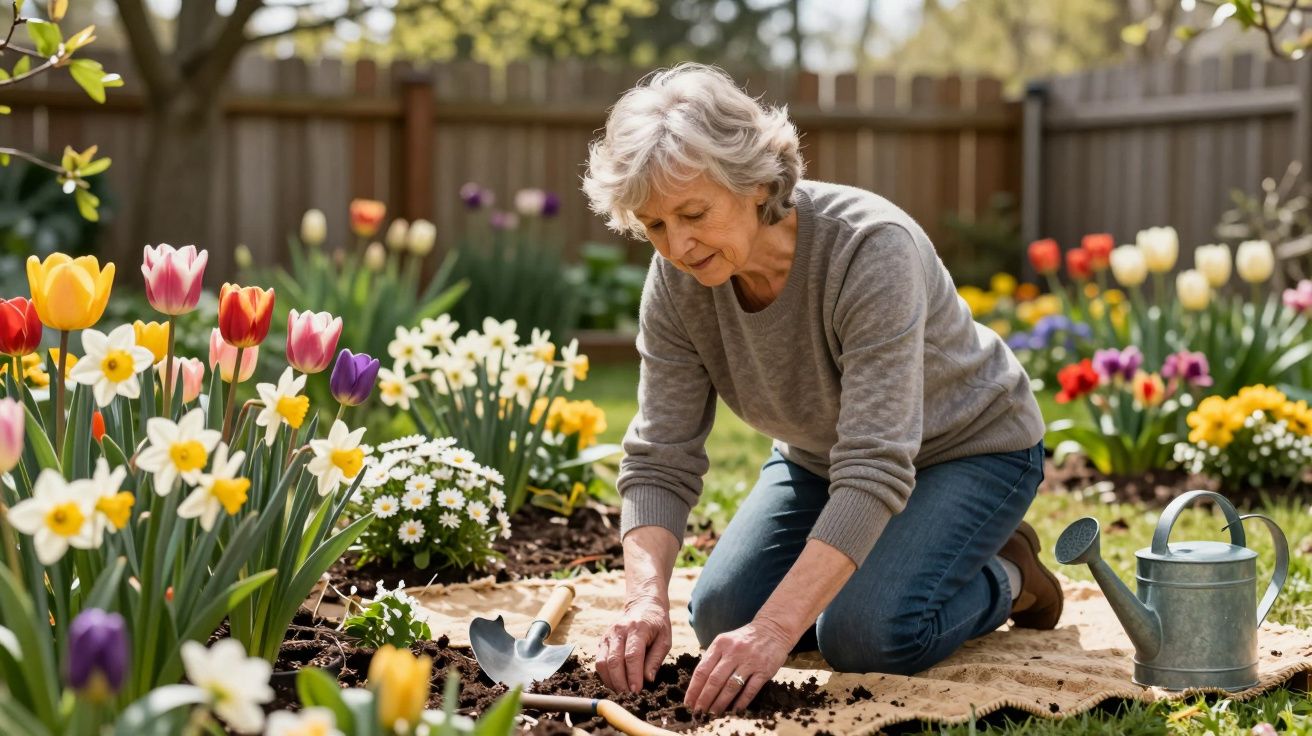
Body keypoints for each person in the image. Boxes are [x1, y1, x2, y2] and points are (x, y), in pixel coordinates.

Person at [580, 63, 1061, 717]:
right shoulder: (676, 285)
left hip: (970, 449)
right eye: (655, 226)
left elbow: (875, 465)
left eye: (694, 213)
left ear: (754, 182)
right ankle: (895, 563)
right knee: (722, 614)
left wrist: (777, 630)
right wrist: (643, 600)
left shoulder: (869, 249)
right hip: (822, 460)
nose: (679, 247)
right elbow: (660, 456)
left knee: (865, 635)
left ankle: (1008, 577)